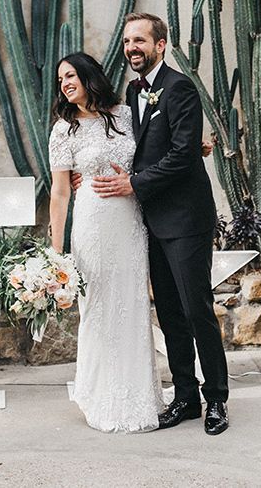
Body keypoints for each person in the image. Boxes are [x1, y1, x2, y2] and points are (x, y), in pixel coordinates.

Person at [92, 12, 229, 435]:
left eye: (140, 40)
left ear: (160, 45)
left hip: (186, 219)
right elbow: (132, 146)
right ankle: (185, 396)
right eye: (128, 41)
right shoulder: (133, 92)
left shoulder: (179, 87)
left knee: (196, 309)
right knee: (169, 313)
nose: (132, 47)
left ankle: (217, 400)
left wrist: (132, 183)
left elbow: (183, 153)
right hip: (149, 221)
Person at [48, 52, 163, 433]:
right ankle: (99, 395)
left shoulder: (126, 114)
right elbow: (61, 193)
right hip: (92, 225)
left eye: (70, 75)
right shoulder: (64, 130)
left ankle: (140, 394)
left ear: (88, 76)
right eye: (60, 79)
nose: (64, 83)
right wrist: (57, 251)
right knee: (97, 308)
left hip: (129, 221)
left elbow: (153, 153)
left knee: (130, 305)